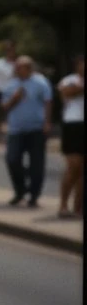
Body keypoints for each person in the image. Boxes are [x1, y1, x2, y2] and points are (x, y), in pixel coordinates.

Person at [0, 55, 53, 208]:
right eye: (16, 67)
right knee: (12, 159)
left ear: (29, 68)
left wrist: (47, 123)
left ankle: (34, 196)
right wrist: (15, 99)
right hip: (16, 129)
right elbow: (4, 107)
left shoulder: (40, 82)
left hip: (36, 128)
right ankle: (20, 190)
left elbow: (48, 102)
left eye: (19, 67)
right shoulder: (11, 85)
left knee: (37, 163)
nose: (16, 70)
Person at [56, 54, 84, 218]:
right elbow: (66, 93)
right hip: (73, 125)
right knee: (74, 166)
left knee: (82, 170)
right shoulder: (69, 80)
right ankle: (63, 204)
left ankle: (77, 207)